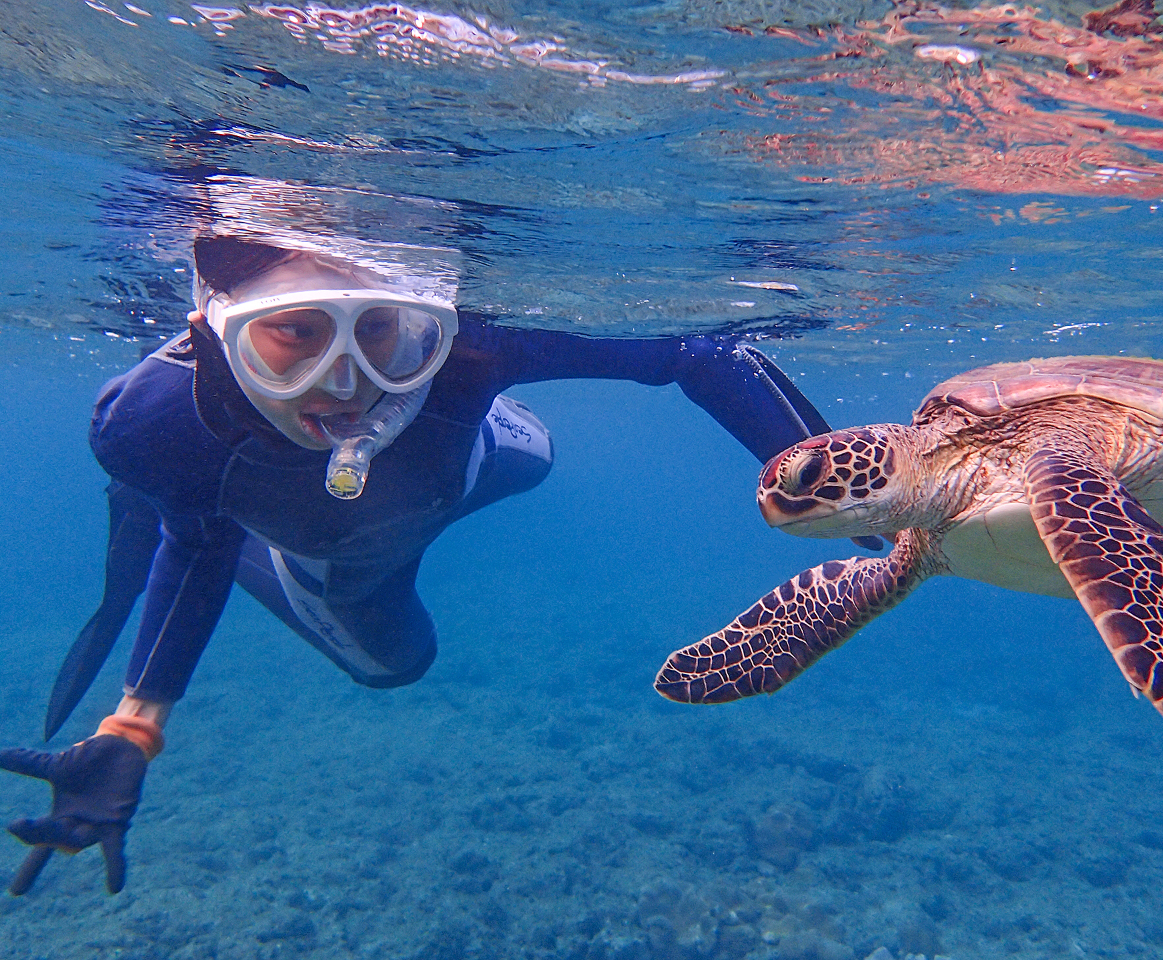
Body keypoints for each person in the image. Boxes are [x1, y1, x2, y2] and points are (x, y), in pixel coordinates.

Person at [0, 235, 847, 895]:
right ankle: (289, 564)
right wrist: (135, 726)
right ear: (209, 333)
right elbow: (196, 550)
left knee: (539, 450)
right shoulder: (152, 426)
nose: (345, 388)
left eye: (384, 335)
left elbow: (696, 350)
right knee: (398, 666)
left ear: (425, 325)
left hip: (457, 465)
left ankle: (428, 405)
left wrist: (858, 488)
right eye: (292, 335)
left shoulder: (470, 346)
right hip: (348, 554)